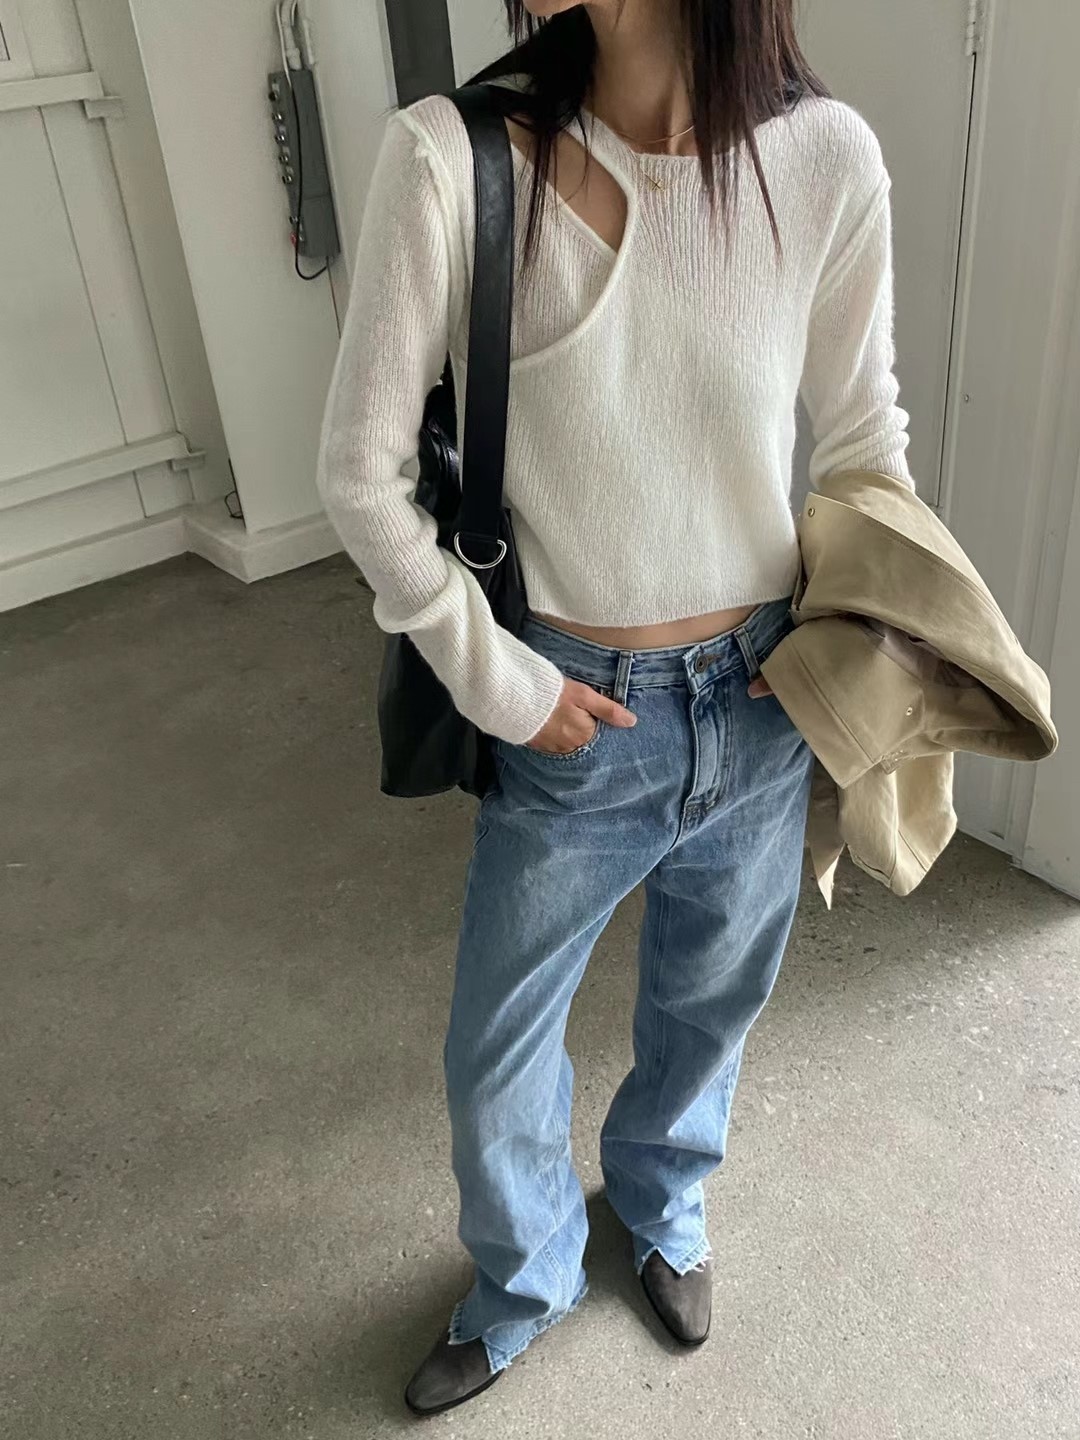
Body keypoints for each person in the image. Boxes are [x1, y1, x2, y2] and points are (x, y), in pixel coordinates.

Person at [317, 0, 912, 1417]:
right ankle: (522, 1275)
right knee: (496, 1049)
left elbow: (863, 439)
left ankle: (660, 1204)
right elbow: (359, 475)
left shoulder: (825, 158)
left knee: (713, 1002)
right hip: (573, 711)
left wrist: (848, 646)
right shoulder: (452, 158)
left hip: (762, 700)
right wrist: (504, 683)